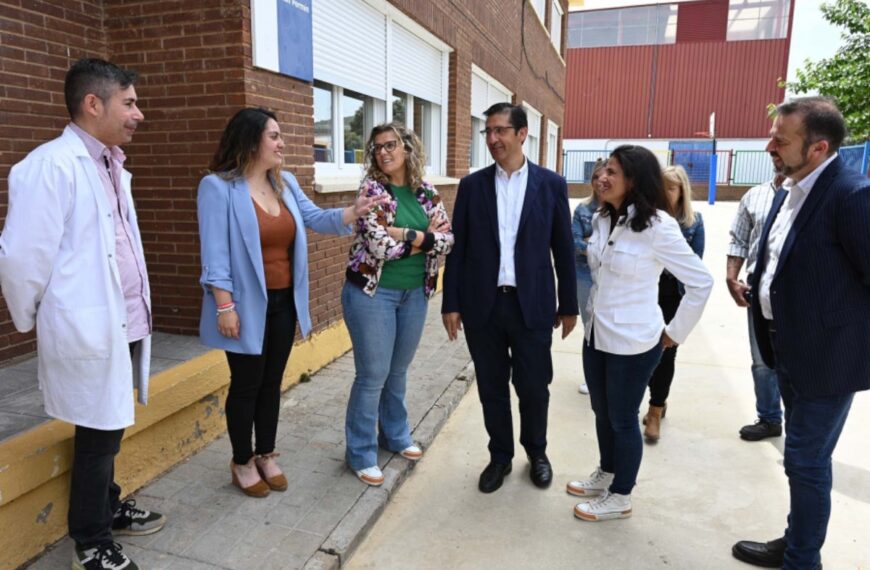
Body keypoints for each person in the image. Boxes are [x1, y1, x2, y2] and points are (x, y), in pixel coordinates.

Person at [0, 58, 164, 570]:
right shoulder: (50, 166)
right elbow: (22, 257)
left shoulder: (109, 162)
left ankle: (108, 507)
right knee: (98, 431)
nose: (139, 114)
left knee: (109, 424)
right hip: (88, 326)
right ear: (94, 104)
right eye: (130, 103)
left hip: (123, 322)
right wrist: (35, 319)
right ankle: (91, 541)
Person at [197, 107, 386, 498]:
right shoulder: (218, 187)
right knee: (246, 384)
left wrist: (353, 211)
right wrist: (224, 306)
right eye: (274, 136)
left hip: (283, 303)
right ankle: (242, 460)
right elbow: (214, 253)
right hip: (244, 307)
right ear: (251, 140)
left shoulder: (284, 183)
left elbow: (314, 217)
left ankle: (266, 453)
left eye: (280, 135)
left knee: (271, 382)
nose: (282, 143)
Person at [732, 98, 870, 569]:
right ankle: (796, 543)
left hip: (826, 360)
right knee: (801, 458)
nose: (770, 146)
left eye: (781, 140)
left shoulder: (850, 194)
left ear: (818, 147)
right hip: (786, 348)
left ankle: (802, 560)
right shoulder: (790, 189)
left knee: (806, 462)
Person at [567, 145, 713, 522]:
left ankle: (621, 496)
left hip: (633, 343)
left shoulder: (658, 226)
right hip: (597, 335)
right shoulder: (602, 218)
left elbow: (700, 282)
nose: (602, 177)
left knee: (622, 419)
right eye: (602, 170)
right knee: (602, 412)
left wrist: (675, 332)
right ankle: (608, 471)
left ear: (634, 180)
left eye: (612, 172)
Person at [442, 102, 578, 494]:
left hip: (531, 305)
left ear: (522, 134)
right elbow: (459, 247)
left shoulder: (551, 185)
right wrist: (451, 302)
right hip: (483, 306)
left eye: (500, 130)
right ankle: (499, 456)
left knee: (534, 386)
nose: (492, 139)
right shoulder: (472, 186)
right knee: (492, 387)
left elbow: (563, 248)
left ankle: (537, 452)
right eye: (487, 132)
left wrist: (568, 304)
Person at [342, 124, 453, 486]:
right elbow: (379, 248)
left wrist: (406, 234)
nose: (383, 153)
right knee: (372, 375)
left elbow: (448, 240)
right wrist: (426, 241)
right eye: (376, 148)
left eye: (390, 145)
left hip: (415, 293)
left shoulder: (425, 192)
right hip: (373, 294)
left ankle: (395, 434)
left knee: (398, 370)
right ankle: (360, 452)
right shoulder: (372, 191)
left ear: (407, 148)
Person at [642, 165, 705, 442]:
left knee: (666, 352)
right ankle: (652, 400)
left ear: (682, 191)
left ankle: (655, 409)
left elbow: (696, 269)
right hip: (647, 293)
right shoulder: (646, 219)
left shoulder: (693, 222)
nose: (665, 192)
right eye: (661, 186)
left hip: (674, 296)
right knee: (643, 352)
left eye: (671, 186)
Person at [726, 175, 785, 442]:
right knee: (762, 360)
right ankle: (770, 418)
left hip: (798, 293)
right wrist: (732, 276)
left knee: (798, 362)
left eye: (780, 146)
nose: (773, 152)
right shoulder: (754, 195)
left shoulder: (815, 194)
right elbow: (738, 239)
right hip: (757, 287)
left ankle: (800, 423)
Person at [572, 159, 605, 396]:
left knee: (610, 326)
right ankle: (592, 377)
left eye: (605, 178)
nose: (600, 183)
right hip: (584, 274)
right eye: (595, 178)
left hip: (612, 278)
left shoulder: (622, 209)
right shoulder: (582, 210)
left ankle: (608, 376)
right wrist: (604, 248)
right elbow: (573, 241)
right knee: (589, 327)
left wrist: (589, 243)